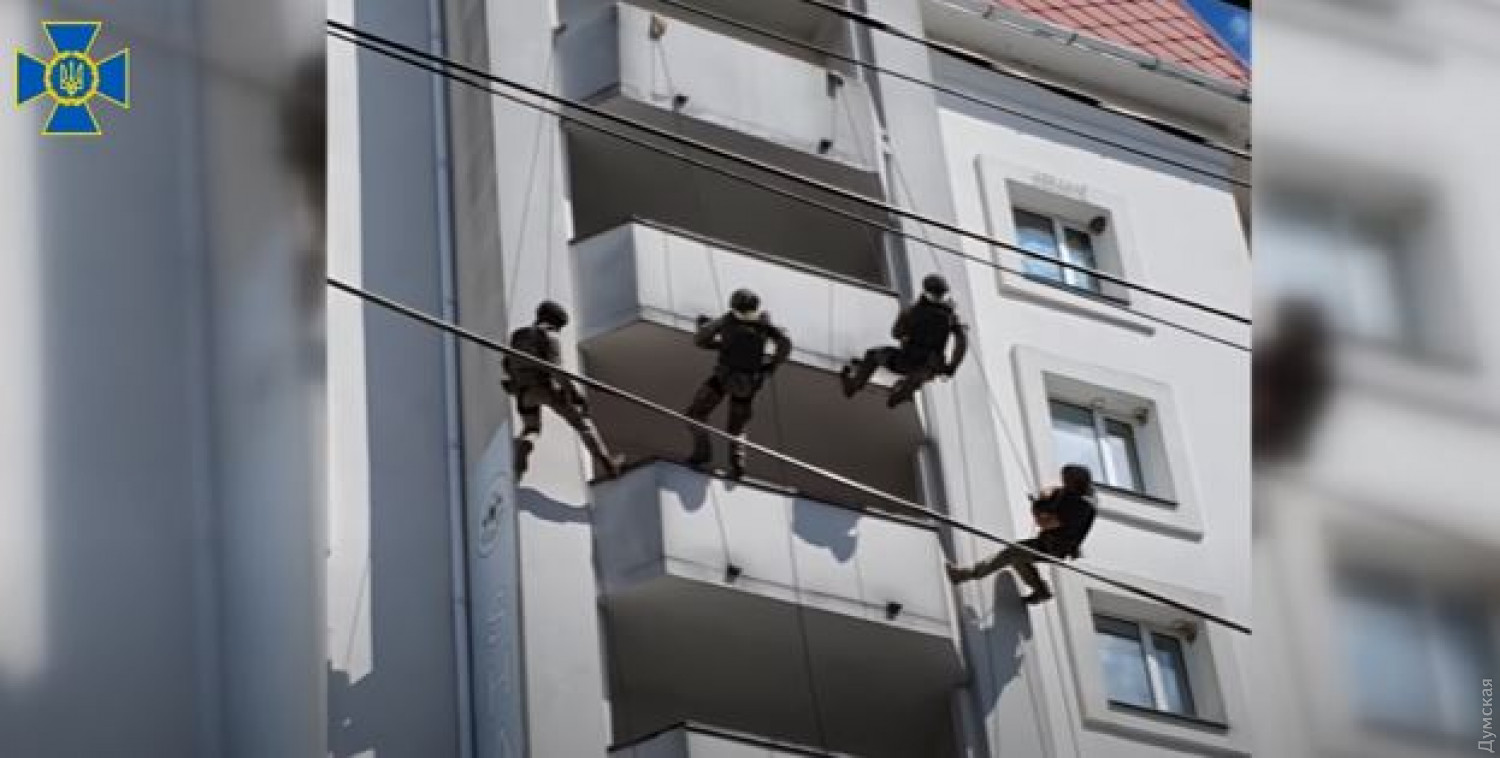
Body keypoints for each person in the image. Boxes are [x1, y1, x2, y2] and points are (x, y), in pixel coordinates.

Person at [503, 300, 624, 480]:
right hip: (546, 388)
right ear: (555, 322)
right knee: (583, 424)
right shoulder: (550, 336)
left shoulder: (518, 335)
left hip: (524, 392)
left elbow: (507, 363)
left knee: (531, 429)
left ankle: (524, 446)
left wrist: (514, 382)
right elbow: (557, 370)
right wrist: (575, 395)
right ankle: (608, 464)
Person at [946, 464, 1097, 604]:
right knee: (1019, 559)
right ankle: (1041, 591)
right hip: (1052, 543)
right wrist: (1047, 494)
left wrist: (1036, 509)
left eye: (1066, 480)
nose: (1063, 482)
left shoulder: (1079, 507)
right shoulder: (1080, 493)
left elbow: (1045, 523)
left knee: (1010, 553)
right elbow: (1055, 492)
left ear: (1074, 483)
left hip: (1053, 547)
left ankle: (964, 575)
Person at [684, 288, 792, 478]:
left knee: (695, 413)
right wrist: (772, 364)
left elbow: (700, 340)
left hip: (723, 378)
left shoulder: (729, 320)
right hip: (748, 384)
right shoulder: (764, 324)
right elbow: (785, 342)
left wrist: (720, 343)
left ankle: (703, 452)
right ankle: (737, 464)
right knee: (736, 427)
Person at [840, 273, 968, 407]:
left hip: (907, 360)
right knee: (920, 373)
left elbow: (896, 333)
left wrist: (907, 333)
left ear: (926, 292)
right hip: (928, 367)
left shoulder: (914, 310)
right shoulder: (950, 316)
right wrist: (952, 367)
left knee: (873, 355)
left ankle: (855, 385)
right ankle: (902, 391)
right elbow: (961, 343)